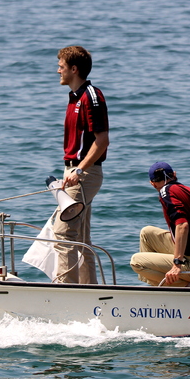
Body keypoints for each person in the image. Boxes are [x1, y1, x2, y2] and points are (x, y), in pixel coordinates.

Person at [52, 45, 109, 284]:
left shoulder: (91, 96)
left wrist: (80, 169)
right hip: (75, 172)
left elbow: (102, 141)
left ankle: (65, 296)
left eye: (61, 66)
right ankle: (89, 293)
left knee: (63, 235)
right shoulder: (74, 96)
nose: (58, 71)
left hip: (84, 174)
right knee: (81, 239)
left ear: (74, 69)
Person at [130, 162, 190, 287]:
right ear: (174, 175)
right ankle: (157, 287)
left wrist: (177, 264)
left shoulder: (166, 192)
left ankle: (188, 286)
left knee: (137, 262)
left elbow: (182, 225)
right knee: (147, 233)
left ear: (152, 183)